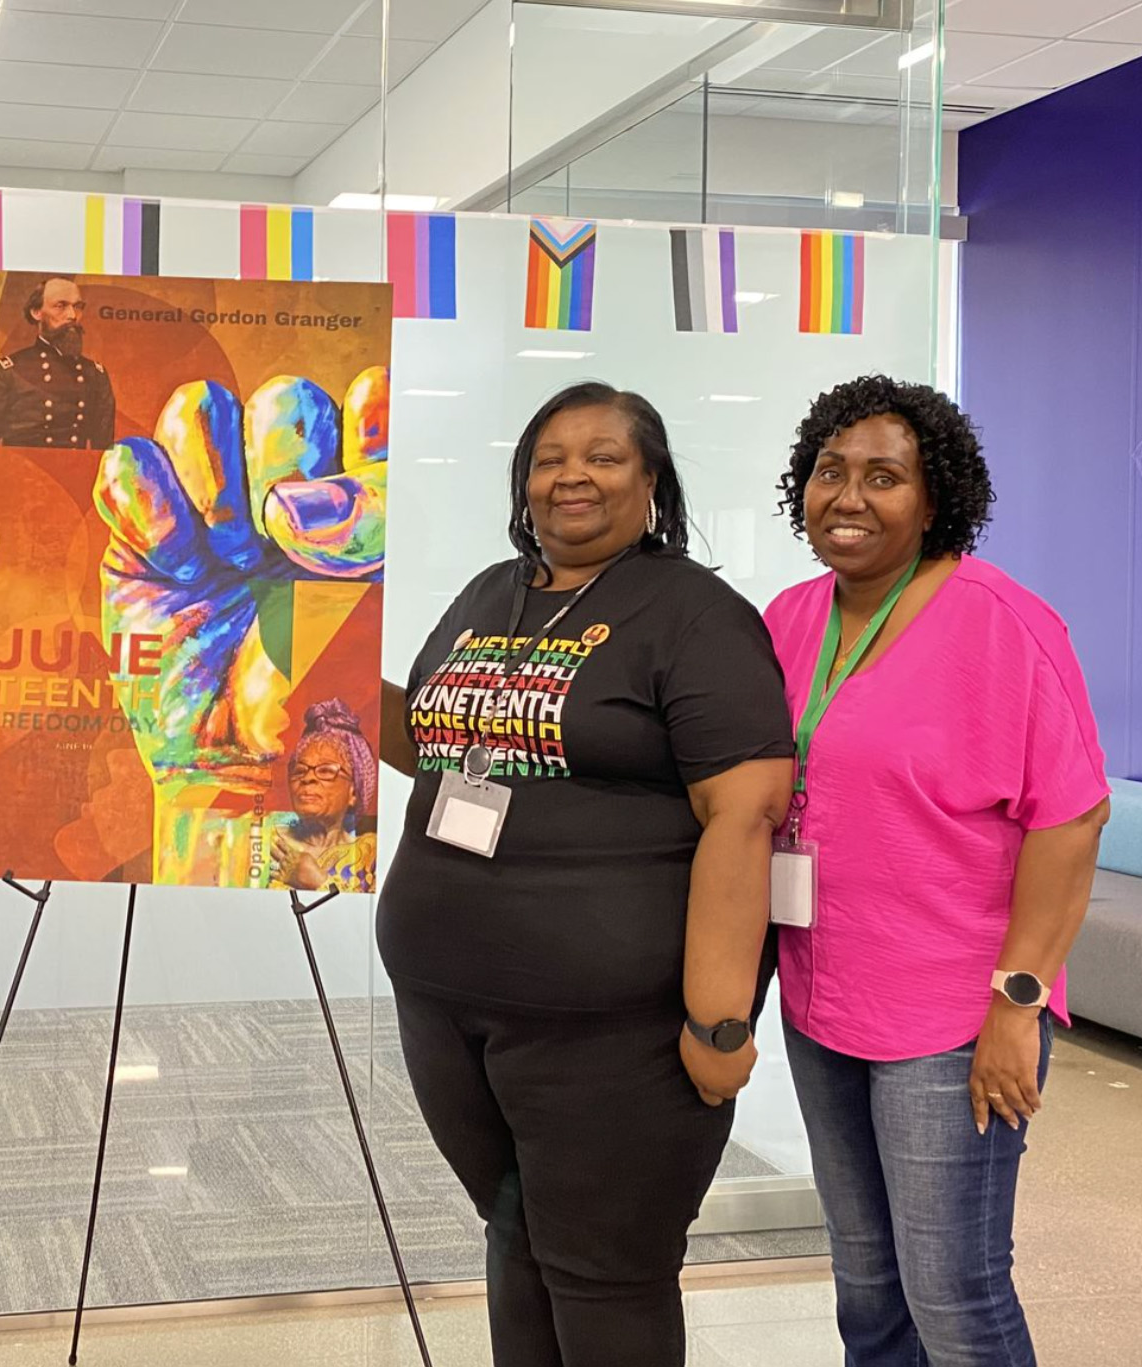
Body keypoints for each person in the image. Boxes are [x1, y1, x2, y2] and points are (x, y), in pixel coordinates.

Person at [374, 381, 796, 1365]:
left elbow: (745, 816)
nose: (573, 474)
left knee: (606, 1267)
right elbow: (436, 742)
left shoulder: (693, 614)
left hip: (616, 1030)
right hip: (447, 1007)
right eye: (550, 456)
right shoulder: (493, 591)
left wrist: (718, 1018)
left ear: (651, 479)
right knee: (518, 1237)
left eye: (604, 455)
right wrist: (315, 669)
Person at [764, 375, 1109, 1367]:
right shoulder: (790, 618)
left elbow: (1072, 814)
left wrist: (1018, 999)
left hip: (954, 1015)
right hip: (823, 998)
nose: (849, 497)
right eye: (831, 471)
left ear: (935, 497)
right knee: (866, 1289)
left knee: (954, 1291)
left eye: (884, 476)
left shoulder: (1003, 622)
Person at [0, 275, 117, 448]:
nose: (72, 316)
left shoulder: (95, 374)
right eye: (60, 306)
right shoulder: (9, 372)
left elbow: (103, 450)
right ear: (36, 312)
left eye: (77, 307)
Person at [267, 698, 377, 892]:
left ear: (354, 792)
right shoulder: (261, 840)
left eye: (326, 771)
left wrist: (319, 882)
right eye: (300, 771)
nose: (308, 778)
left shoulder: (371, 853)